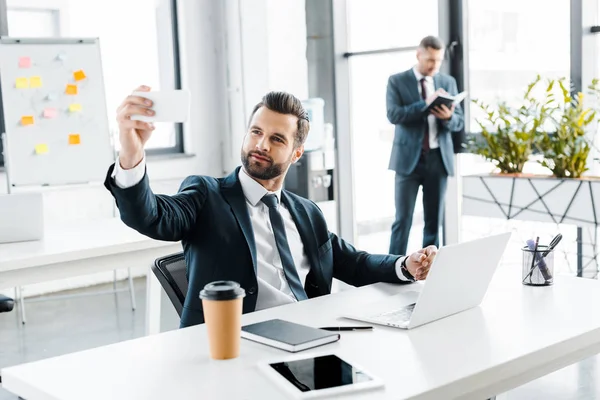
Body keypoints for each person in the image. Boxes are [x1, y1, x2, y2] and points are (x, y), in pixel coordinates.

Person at [105, 86, 437, 328]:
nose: (261, 145)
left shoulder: (306, 212)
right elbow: (150, 216)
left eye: (277, 139)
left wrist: (405, 265)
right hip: (237, 345)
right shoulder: (206, 195)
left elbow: (354, 263)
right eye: (256, 132)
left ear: (296, 153)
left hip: (311, 335)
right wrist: (131, 152)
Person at [386, 36, 464, 256]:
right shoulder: (397, 81)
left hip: (438, 160)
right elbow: (394, 115)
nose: (434, 65)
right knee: (402, 220)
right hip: (408, 161)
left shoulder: (447, 82)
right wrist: (426, 104)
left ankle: (429, 271)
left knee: (433, 222)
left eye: (438, 60)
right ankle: (391, 269)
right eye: (430, 59)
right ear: (418, 54)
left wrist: (448, 117)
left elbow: (459, 122)